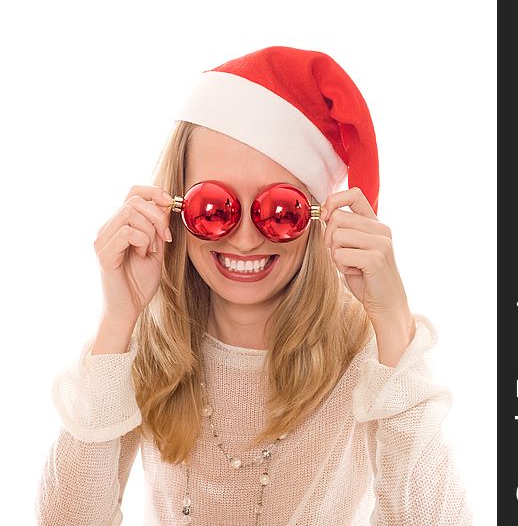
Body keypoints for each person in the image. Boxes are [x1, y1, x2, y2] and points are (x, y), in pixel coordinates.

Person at [35, 45, 473, 525]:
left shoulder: (368, 354)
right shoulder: (144, 344)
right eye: (213, 209)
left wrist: (392, 323)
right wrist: (116, 321)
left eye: (280, 212)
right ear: (175, 210)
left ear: (318, 218)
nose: (245, 240)